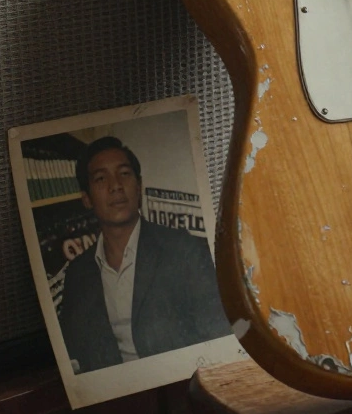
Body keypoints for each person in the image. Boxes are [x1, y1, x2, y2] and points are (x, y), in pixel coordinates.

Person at [59, 136, 230, 374]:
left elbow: (220, 339)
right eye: (101, 178)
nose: (115, 185)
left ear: (139, 186)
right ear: (87, 199)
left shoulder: (184, 249)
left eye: (124, 174)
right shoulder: (77, 273)